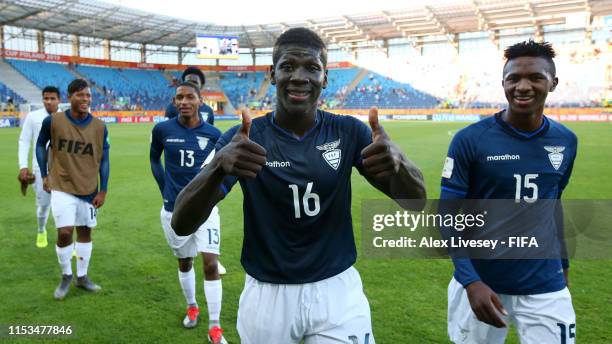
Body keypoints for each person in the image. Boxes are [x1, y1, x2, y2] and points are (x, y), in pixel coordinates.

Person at [171, 27, 426, 343]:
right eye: (288, 66)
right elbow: (181, 223)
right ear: (273, 74)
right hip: (267, 295)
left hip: (337, 291)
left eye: (312, 68)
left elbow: (417, 202)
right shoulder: (244, 139)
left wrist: (400, 164)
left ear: (326, 77)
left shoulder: (349, 132)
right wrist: (218, 167)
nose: (299, 76)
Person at [441, 40, 577, 343]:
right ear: (503, 83)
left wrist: (564, 264)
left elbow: (554, 205)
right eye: (514, 78)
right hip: (481, 282)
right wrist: (470, 280)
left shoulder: (566, 141)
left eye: (535, 78)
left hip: (545, 282)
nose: (523, 86)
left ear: (553, 83)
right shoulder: (470, 140)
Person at [150, 82, 227, 344]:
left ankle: (215, 327)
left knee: (211, 263)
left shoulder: (215, 134)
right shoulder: (162, 129)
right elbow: (154, 159)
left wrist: (213, 194)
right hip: (173, 210)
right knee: (185, 262)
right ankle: (192, 306)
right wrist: (164, 188)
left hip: (206, 209)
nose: (184, 102)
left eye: (189, 97)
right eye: (179, 98)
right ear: (174, 101)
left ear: (200, 101)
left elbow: (220, 170)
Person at [36, 79, 110, 300]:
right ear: (70, 97)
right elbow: (41, 144)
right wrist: (44, 174)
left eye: (88, 95)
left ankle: (82, 277)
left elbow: (105, 159)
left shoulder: (99, 127)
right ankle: (66, 274)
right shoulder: (53, 121)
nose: (85, 99)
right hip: (62, 184)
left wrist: (103, 189)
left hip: (89, 188)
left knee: (85, 232)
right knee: (65, 232)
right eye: (80, 95)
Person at [18, 86, 61, 248]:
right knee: (43, 206)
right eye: (46, 98)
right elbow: (24, 141)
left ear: (59, 100)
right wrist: (23, 166)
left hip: (64, 170)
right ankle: (41, 230)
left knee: (65, 205)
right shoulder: (33, 116)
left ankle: (65, 239)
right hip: (40, 169)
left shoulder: (66, 117)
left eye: (52, 98)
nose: (48, 102)